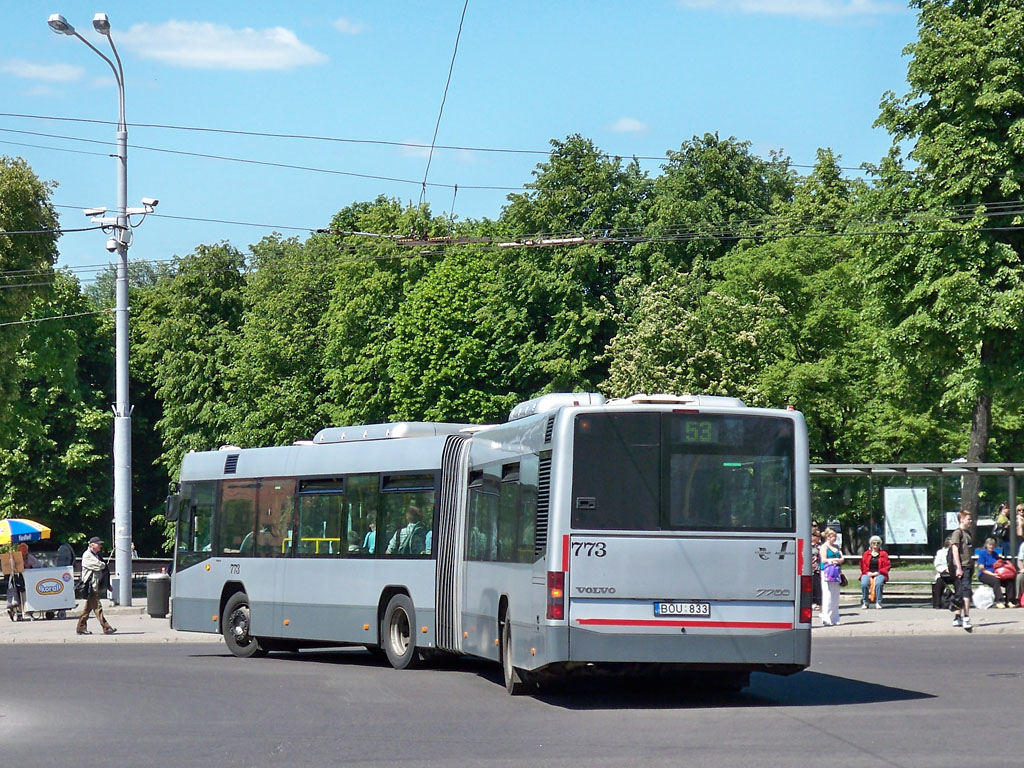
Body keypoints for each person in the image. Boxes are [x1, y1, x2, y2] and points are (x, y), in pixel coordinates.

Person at [76, 537, 116, 636]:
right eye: (98, 544)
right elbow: (99, 566)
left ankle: (80, 627)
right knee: (98, 607)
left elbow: (104, 569)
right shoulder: (87, 555)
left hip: (95, 585)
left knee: (87, 609)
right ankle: (106, 627)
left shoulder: (97, 555)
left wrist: (107, 585)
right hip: (90, 586)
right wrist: (103, 564)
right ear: (92, 545)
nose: (100, 546)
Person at [948, 510, 974, 632]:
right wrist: (958, 567)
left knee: (960, 592)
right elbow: (955, 551)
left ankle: (957, 617)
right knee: (966, 592)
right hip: (962, 566)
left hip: (968, 565)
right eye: (968, 519)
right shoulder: (957, 533)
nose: (970, 521)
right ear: (962, 519)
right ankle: (966, 617)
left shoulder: (967, 533)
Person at [976, 537, 1017, 609]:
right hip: (985, 574)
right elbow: (981, 568)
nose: (991, 547)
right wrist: (993, 574)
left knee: (1009, 580)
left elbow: (999, 564)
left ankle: (1009, 601)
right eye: (990, 545)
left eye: (993, 545)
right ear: (986, 545)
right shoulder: (983, 554)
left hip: (997, 573)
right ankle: (999, 601)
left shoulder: (995, 554)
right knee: (995, 580)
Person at [818, 528, 844, 627]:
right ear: (828, 537)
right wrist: (833, 560)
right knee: (828, 595)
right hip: (827, 571)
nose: (834, 539)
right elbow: (823, 559)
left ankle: (835, 618)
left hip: (836, 572)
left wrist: (839, 560)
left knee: (835, 595)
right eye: (833, 537)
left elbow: (842, 557)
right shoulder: (824, 547)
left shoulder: (837, 546)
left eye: (835, 537)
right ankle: (826, 618)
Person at [859, 535, 890, 609]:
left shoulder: (884, 554)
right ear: (871, 544)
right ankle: (865, 602)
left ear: (880, 544)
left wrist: (879, 572)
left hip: (880, 573)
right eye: (873, 543)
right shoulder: (866, 554)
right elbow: (862, 565)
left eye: (878, 543)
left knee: (879, 583)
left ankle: (878, 602)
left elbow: (887, 566)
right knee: (864, 583)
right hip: (868, 572)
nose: (875, 545)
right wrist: (867, 573)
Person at [932, 537, 954, 609]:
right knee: (939, 582)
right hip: (943, 573)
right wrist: (945, 569)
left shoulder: (957, 552)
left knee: (959, 583)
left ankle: (958, 602)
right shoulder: (940, 552)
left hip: (954, 574)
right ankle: (937, 603)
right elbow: (937, 564)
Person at [809, 530, 822, 611]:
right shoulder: (808, 545)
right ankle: (811, 602)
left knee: (818, 587)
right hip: (810, 569)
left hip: (818, 569)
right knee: (811, 587)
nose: (814, 538)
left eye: (816, 536)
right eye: (813, 535)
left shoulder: (821, 546)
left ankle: (818, 603)